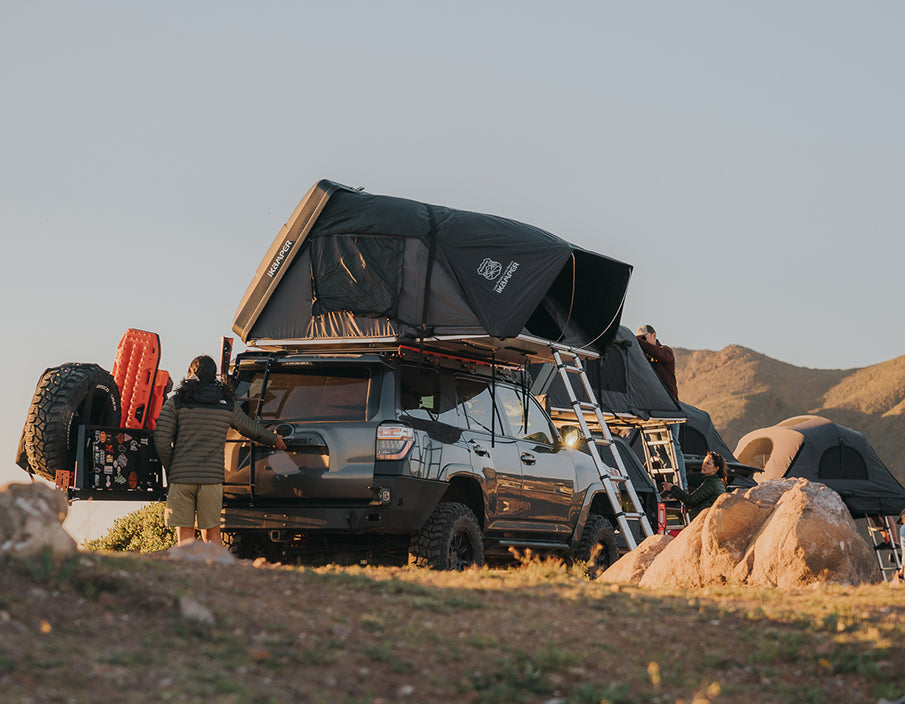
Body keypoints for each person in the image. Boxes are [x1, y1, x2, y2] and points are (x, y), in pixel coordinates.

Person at [154, 355, 286, 546]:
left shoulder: (175, 403)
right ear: (214, 376)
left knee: (185, 536)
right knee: (212, 534)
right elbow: (250, 428)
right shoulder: (226, 404)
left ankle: (188, 573)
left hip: (182, 479)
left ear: (191, 373)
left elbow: (161, 440)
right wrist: (275, 440)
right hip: (211, 481)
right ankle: (215, 572)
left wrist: (173, 467)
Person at [636, 324, 686, 488]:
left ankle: (681, 486)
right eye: (640, 339)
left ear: (653, 335)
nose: (642, 341)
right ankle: (669, 486)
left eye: (644, 337)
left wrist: (637, 342)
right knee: (659, 449)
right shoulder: (644, 358)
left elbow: (658, 354)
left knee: (672, 446)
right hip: (652, 408)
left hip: (669, 407)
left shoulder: (666, 351)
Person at [662, 450, 727, 520]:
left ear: (716, 469)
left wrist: (672, 488)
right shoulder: (715, 482)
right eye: (704, 462)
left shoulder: (711, 483)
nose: (703, 465)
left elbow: (690, 500)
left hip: (706, 521)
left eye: (708, 463)